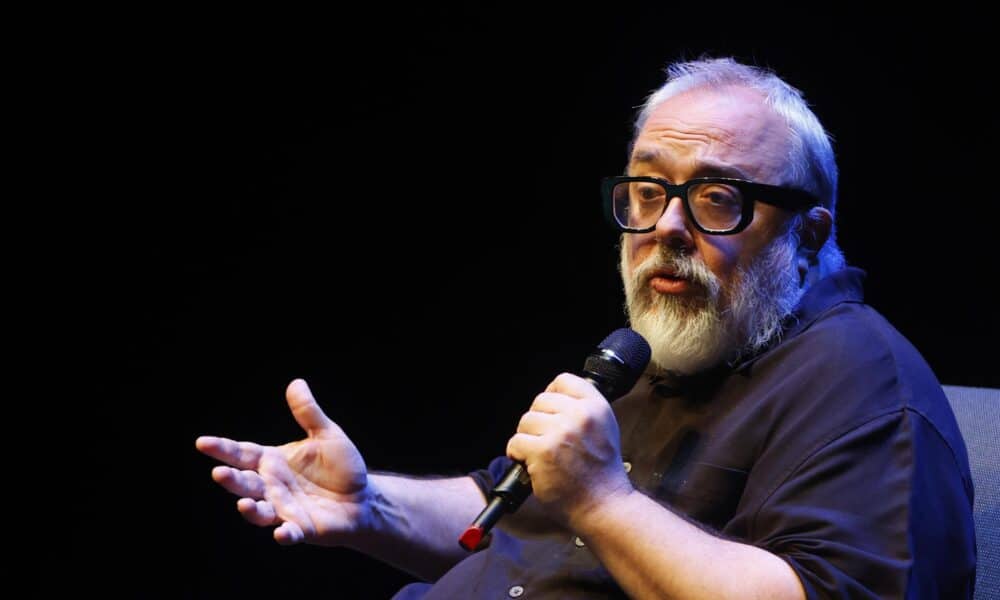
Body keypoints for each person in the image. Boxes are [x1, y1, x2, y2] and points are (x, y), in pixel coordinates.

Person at [195, 57, 976, 598]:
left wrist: (603, 501)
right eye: (647, 189)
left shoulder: (863, 386)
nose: (665, 225)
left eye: (716, 199)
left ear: (805, 236)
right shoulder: (676, 346)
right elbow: (505, 513)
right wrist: (369, 507)